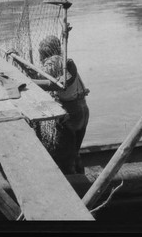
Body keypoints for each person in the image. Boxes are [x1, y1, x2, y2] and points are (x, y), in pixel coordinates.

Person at [14, 35, 90, 174]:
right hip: (83, 109)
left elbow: (39, 78)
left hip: (71, 112)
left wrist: (20, 65)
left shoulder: (53, 61)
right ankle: (80, 176)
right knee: (75, 151)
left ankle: (72, 183)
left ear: (44, 51)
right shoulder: (63, 60)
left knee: (64, 156)